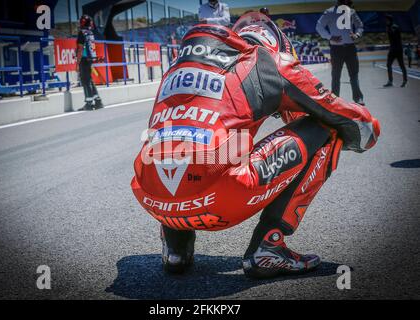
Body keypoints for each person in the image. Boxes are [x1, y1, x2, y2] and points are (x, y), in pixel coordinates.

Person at [131, 12, 380, 278]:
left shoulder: (177, 67)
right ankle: (268, 246)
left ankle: (175, 249)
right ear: (278, 44)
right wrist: (366, 130)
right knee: (326, 129)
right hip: (221, 200)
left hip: (151, 197)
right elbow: (350, 120)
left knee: (191, 141)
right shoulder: (268, 60)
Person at [316, 0, 365, 105]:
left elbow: (360, 26)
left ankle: (358, 98)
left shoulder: (351, 11)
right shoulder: (329, 12)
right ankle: (335, 98)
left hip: (350, 48)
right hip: (336, 49)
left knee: (354, 74)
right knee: (336, 75)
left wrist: (357, 35)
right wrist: (330, 37)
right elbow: (319, 26)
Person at [76, 14, 104, 111]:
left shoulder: (82, 33)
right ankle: (98, 101)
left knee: (85, 81)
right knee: (90, 80)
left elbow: (80, 49)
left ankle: (88, 103)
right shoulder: (90, 32)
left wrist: (77, 62)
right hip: (90, 58)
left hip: (84, 59)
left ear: (82, 22)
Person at [384, 15, 408, 87]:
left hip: (398, 49)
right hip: (392, 49)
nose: (386, 21)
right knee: (388, 65)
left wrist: (389, 29)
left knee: (401, 65)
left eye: (387, 20)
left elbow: (394, 34)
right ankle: (390, 81)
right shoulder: (389, 27)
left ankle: (405, 81)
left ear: (390, 20)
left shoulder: (394, 27)